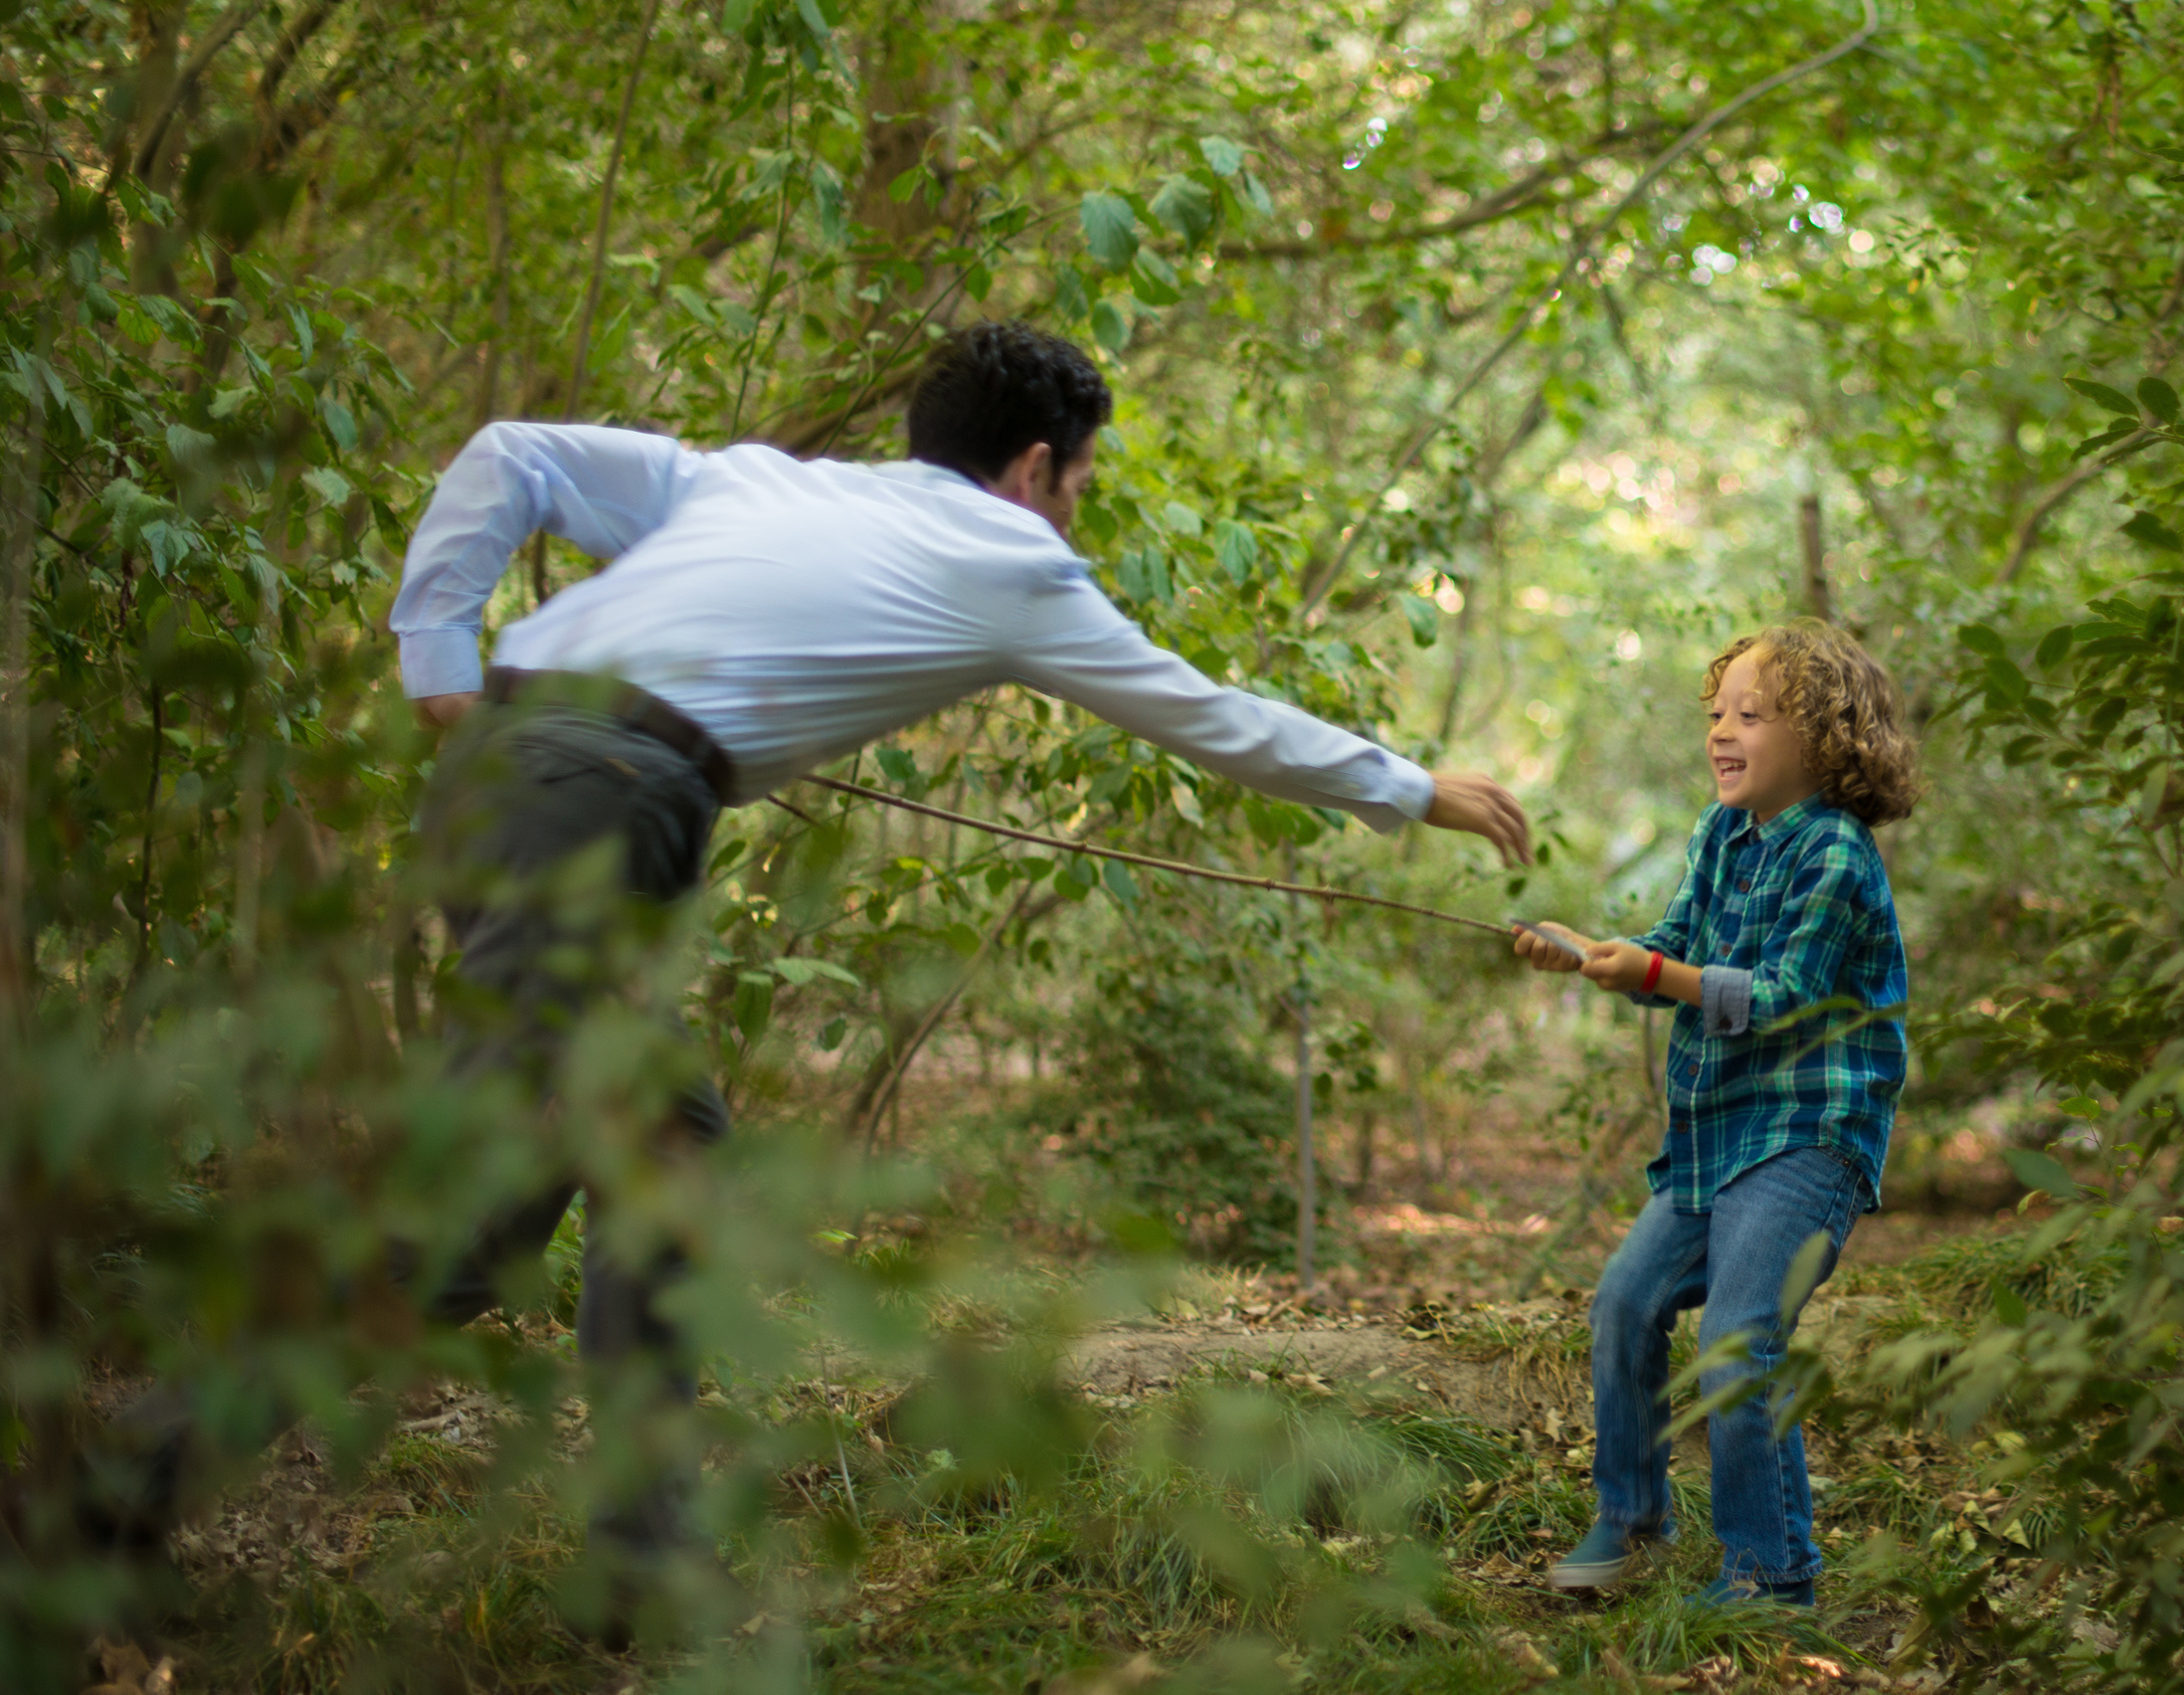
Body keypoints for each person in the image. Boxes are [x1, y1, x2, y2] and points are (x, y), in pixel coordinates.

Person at [90, 323, 1529, 1640]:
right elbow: (1213, 718)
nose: (1076, 509)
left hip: (538, 793)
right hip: (592, 806)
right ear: (1035, 468)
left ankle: (620, 1565)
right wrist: (1414, 788)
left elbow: (509, 454)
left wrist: (437, 654)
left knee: (620, 1173)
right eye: (1081, 480)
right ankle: (128, 1485)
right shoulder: (1018, 564)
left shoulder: (760, 483)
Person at [1512, 620, 1916, 1607]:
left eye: (1753, 714)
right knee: (1623, 1302)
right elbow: (1674, 956)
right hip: (1719, 1133)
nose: (1722, 731)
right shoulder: (1716, 834)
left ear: (1825, 740)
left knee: (1737, 1337)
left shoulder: (1835, 853)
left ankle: (1773, 1574)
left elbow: (1778, 994)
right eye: (1717, 712)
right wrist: (1592, 951)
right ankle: (1634, 1516)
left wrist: (1656, 970)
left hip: (1809, 1137)